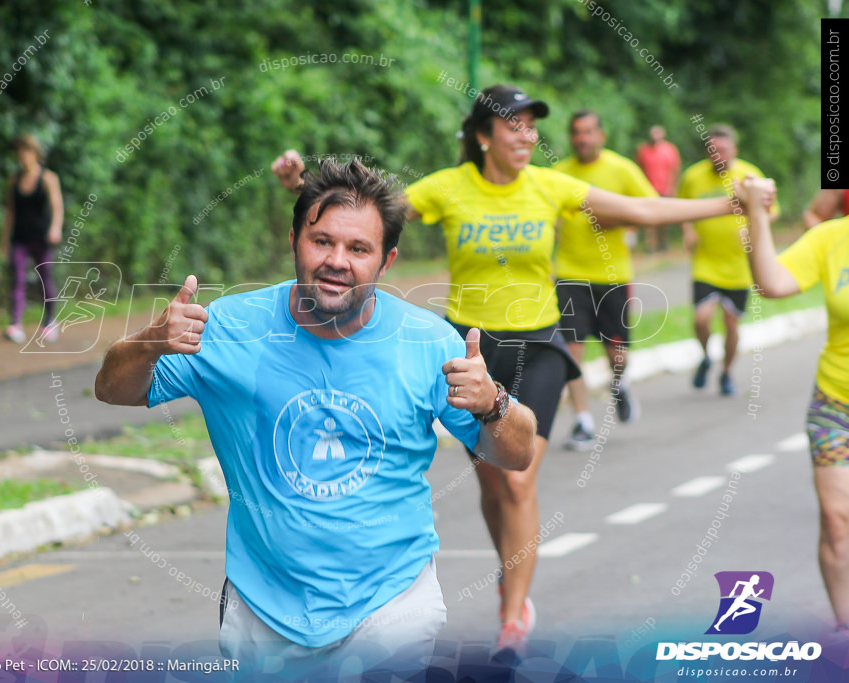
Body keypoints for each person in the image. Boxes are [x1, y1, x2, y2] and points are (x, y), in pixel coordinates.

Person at [272, 84, 762, 651]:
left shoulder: (550, 186)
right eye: (515, 125)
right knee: (492, 481)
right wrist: (301, 184)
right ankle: (512, 567)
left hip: (539, 344)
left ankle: (511, 619)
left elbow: (644, 208)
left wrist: (732, 202)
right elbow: (364, 214)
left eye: (532, 126)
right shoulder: (449, 188)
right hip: (472, 349)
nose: (527, 136)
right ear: (483, 136)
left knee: (520, 477)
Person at [94, 159, 537, 674]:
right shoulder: (228, 329)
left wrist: (493, 403)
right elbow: (112, 389)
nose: (336, 260)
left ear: (387, 261)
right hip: (261, 605)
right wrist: (149, 341)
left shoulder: (428, 343)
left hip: (391, 601)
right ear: (293, 242)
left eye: (358, 248)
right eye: (321, 241)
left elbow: (517, 452)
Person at [740, 176, 849, 635]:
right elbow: (772, 282)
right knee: (836, 520)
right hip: (836, 400)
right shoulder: (832, 237)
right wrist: (755, 214)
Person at [553, 110, 658, 450]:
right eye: (576, 133)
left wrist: (616, 218)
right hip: (570, 275)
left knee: (617, 354)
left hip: (613, 277)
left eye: (588, 132)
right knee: (571, 351)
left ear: (601, 136)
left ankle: (619, 384)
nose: (582, 138)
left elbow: (652, 207)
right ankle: (582, 420)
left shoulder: (621, 168)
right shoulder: (558, 174)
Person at [678, 124, 779, 396]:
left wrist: (754, 225)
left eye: (722, 150)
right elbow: (681, 208)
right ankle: (706, 357)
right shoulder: (692, 176)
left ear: (734, 149)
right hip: (705, 263)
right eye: (712, 150)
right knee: (701, 319)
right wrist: (688, 231)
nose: (717, 155)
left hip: (738, 266)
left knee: (732, 325)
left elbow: (772, 212)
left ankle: (726, 372)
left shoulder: (750, 176)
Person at [0, 134, 63, 344]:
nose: (22, 156)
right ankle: (15, 323)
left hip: (41, 238)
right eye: (19, 152)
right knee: (17, 278)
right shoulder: (14, 180)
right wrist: (4, 239)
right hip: (20, 237)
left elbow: (57, 206)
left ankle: (49, 321)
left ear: (35, 153)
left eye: (26, 152)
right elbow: (10, 212)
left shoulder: (48, 178)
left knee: (44, 279)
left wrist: (55, 228)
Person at [636, 125, 682, 252]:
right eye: (653, 134)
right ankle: (649, 244)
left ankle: (663, 243)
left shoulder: (670, 149)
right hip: (648, 188)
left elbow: (675, 170)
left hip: (665, 189)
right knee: (648, 218)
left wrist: (672, 187)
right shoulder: (643, 150)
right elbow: (638, 169)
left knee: (664, 219)